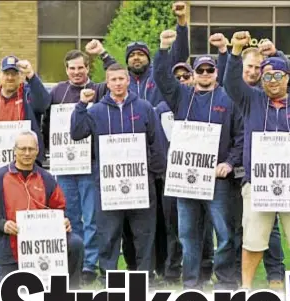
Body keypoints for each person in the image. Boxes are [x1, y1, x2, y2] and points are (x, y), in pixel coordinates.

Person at [224, 31, 290, 289]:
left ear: (287, 78)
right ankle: (246, 288)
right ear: (261, 78)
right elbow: (230, 83)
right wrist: (236, 51)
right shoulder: (251, 102)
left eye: (277, 76)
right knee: (253, 241)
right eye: (267, 76)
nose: (272, 81)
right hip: (258, 188)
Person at [155, 30, 243, 290]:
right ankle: (191, 283)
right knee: (187, 235)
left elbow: (241, 137)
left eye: (209, 70)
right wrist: (163, 48)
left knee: (224, 234)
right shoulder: (181, 96)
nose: (205, 74)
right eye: (200, 70)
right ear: (193, 75)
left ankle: (225, 281)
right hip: (186, 180)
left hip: (218, 180)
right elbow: (160, 76)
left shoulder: (229, 99)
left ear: (217, 72)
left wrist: (229, 163)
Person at [70, 63, 166, 281]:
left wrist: (153, 174)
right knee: (109, 234)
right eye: (113, 80)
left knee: (144, 234)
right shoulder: (95, 111)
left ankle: (145, 277)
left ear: (128, 80)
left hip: (142, 184)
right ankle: (109, 277)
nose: (118, 83)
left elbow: (156, 143)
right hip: (108, 186)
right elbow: (76, 133)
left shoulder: (144, 108)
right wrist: (81, 105)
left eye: (121, 79)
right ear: (107, 82)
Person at [211, 33, 286, 288]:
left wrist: (276, 55)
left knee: (270, 227)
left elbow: (289, 78)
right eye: (249, 67)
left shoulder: (268, 95)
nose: (253, 72)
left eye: (257, 67)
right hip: (229, 171)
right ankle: (231, 278)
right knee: (231, 227)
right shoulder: (229, 93)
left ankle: (276, 274)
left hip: (261, 171)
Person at [0, 130, 83, 290]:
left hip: (44, 241)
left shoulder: (47, 178)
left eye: (31, 149)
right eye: (22, 149)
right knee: (12, 291)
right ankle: (1, 274)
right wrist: (2, 224)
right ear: (14, 150)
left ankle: (71, 291)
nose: (27, 153)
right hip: (11, 246)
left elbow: (59, 208)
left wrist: (63, 220)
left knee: (75, 244)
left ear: (37, 151)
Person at [42, 49, 103, 285]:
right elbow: (48, 122)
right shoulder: (58, 91)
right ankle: (75, 265)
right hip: (64, 166)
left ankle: (89, 266)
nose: (77, 72)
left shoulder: (98, 90)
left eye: (81, 67)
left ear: (88, 68)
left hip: (89, 164)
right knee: (70, 216)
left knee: (91, 218)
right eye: (72, 68)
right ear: (66, 70)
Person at [154, 62, 215, 286]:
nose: (182, 80)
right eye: (177, 77)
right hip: (172, 177)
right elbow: (157, 143)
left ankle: (206, 270)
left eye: (186, 76)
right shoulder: (160, 109)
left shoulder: (204, 105)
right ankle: (172, 271)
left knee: (205, 228)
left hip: (204, 175)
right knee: (176, 228)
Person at [0, 56, 51, 166]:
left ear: (21, 76)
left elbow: (43, 104)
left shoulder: (28, 95)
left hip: (27, 161)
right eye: (6, 73)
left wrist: (31, 75)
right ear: (0, 75)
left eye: (14, 74)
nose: (10, 77)